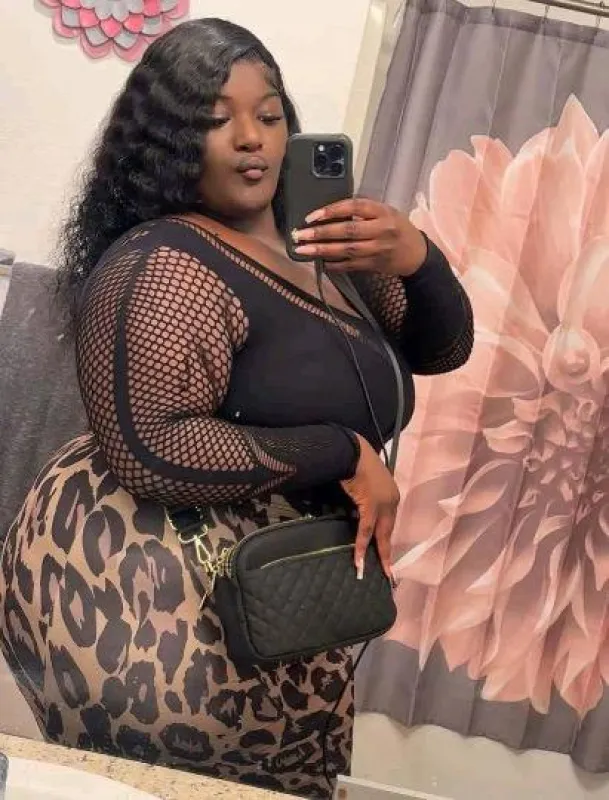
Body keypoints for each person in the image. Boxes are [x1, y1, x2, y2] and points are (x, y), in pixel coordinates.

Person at [0, 17, 473, 799]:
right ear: (167, 142)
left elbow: (439, 349)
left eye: (270, 113)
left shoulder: (318, 241)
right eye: (216, 120)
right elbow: (150, 449)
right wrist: (345, 453)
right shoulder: (167, 261)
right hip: (159, 591)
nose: (252, 138)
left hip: (280, 584)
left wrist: (417, 260)